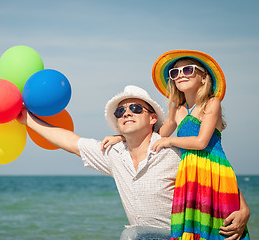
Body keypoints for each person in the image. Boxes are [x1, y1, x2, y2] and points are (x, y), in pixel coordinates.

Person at [104, 50, 250, 240]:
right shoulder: (176, 108)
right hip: (189, 173)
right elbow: (156, 135)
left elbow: (201, 142)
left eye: (187, 69)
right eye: (175, 72)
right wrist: (123, 137)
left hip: (214, 170)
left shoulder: (211, 103)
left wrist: (171, 140)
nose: (180, 74)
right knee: (194, 229)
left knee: (221, 227)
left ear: (203, 77)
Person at [18, 85, 181, 239]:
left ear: (153, 119)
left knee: (131, 235)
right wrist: (27, 119)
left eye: (136, 109)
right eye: (120, 111)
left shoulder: (173, 151)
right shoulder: (114, 153)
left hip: (177, 235)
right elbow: (72, 143)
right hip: (140, 237)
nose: (127, 113)